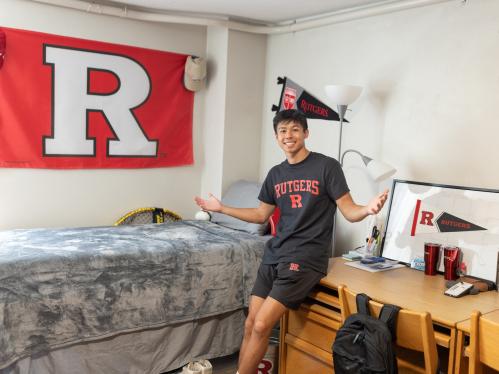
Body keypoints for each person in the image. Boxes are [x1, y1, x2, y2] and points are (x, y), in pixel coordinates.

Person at [194, 109, 388, 374]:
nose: (289, 135)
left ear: (306, 133)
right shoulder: (276, 174)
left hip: (305, 258)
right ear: (276, 137)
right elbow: (260, 214)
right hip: (274, 254)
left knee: (263, 325)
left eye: (295, 129)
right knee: (251, 323)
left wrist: (368, 208)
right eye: (283, 131)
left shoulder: (327, 166)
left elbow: (349, 210)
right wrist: (221, 208)